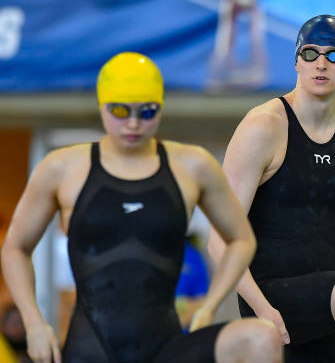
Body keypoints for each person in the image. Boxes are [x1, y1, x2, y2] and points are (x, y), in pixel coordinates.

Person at [1, 52, 282, 363]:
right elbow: (15, 247)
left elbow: (241, 239)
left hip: (166, 348)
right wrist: (34, 322)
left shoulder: (192, 165)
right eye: (120, 111)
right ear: (102, 105)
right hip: (91, 351)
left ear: (160, 107)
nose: (133, 123)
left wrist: (209, 305)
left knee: (262, 337)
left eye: (147, 112)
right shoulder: (63, 168)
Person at [208, 14, 335, 363]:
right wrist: (261, 308)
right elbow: (220, 241)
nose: (321, 64)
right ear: (296, 60)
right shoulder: (264, 126)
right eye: (311, 53)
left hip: (328, 296)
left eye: (334, 55)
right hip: (267, 290)